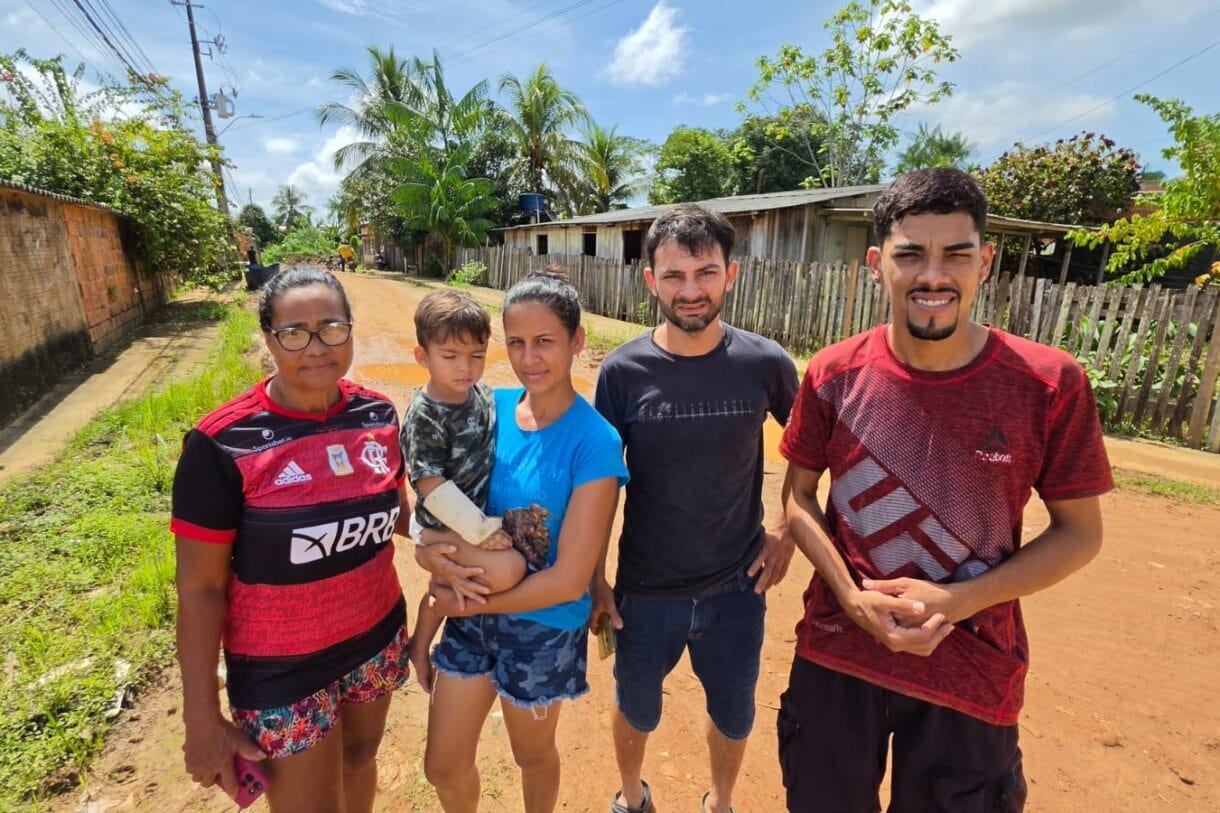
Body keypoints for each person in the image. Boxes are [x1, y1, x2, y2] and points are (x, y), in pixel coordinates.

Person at [777, 168, 1112, 811]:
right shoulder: (833, 373)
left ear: (985, 261)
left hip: (972, 668)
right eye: (911, 254)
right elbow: (797, 498)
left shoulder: (1048, 384)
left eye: (956, 254)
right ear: (877, 264)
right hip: (839, 654)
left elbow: (1080, 533)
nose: (934, 275)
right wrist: (849, 598)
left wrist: (959, 600)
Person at [171, 268, 411, 812]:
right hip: (280, 666)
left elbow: (395, 512)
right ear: (268, 337)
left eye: (332, 327)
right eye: (294, 332)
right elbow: (200, 589)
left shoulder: (377, 415)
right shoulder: (222, 445)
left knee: (359, 761)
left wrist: (468, 538)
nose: (316, 346)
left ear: (350, 331)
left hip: (375, 638)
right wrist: (201, 717)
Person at [592, 204, 799, 813]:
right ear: (650, 280)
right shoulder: (622, 372)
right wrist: (596, 578)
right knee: (636, 708)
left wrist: (785, 529)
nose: (691, 290)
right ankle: (633, 799)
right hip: (643, 591)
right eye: (674, 275)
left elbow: (812, 452)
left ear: (730, 275)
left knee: (734, 715)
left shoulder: (765, 364)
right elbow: (600, 486)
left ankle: (722, 802)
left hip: (738, 588)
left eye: (705, 273)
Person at [414, 268, 629, 813]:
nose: (529, 358)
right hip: (471, 617)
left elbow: (569, 579)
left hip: (541, 631)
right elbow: (427, 479)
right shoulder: (486, 408)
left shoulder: (596, 441)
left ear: (577, 342)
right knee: (442, 764)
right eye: (515, 342)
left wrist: (463, 602)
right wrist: (423, 545)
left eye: (544, 342)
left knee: (532, 757)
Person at [400, 288, 543, 692]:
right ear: (422, 357)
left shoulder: (480, 394)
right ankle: (438, 616)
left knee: (452, 574)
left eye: (477, 355)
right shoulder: (426, 415)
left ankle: (421, 638)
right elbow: (430, 485)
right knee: (510, 568)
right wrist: (478, 529)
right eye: (450, 357)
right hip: (443, 525)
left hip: (468, 521)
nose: (466, 368)